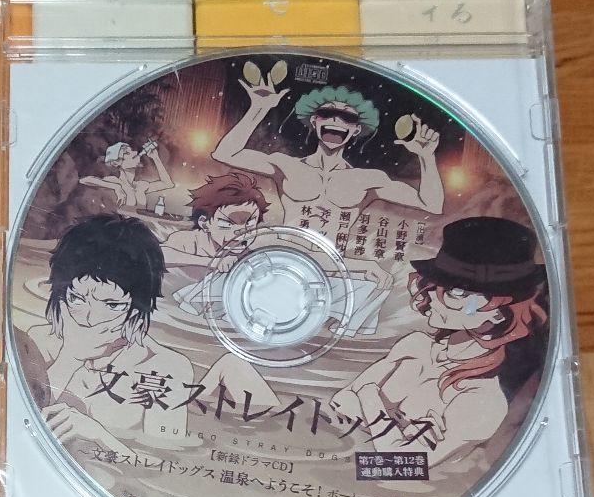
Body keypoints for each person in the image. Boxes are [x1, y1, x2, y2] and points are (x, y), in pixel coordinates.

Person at [329, 216, 547, 469]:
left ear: (498, 313)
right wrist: (399, 428)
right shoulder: (415, 345)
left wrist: (369, 395)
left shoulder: (483, 398)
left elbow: (401, 464)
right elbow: (341, 402)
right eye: (434, 286)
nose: (432, 297)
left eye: (457, 293)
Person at [19, 214, 194, 456]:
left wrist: (101, 437)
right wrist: (70, 357)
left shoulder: (166, 367)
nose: (90, 318)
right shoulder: (39, 341)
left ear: (138, 308)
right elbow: (17, 425)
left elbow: (167, 465)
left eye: (112, 305)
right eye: (77, 298)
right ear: (61, 293)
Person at [211, 71, 444, 246]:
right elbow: (224, 154)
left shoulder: (368, 179)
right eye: (327, 113)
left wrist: (426, 157)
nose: (336, 120)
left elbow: (431, 204)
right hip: (282, 254)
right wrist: (259, 108)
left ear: (356, 130)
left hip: (332, 269)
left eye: (347, 118)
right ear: (314, 121)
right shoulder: (286, 165)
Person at [160, 172, 267, 272]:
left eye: (249, 223)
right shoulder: (187, 240)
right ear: (204, 223)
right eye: (227, 224)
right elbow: (159, 256)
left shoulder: (250, 256)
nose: (241, 231)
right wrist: (214, 262)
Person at [79, 138, 174, 212]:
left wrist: (156, 158)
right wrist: (116, 186)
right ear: (117, 163)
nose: (135, 153)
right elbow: (84, 180)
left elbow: (168, 184)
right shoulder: (114, 181)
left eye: (132, 150)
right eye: (127, 153)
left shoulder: (140, 185)